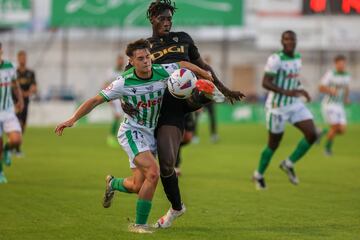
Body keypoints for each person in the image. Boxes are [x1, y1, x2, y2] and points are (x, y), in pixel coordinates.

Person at [55, 39, 214, 233]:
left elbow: (182, 64)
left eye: (148, 56)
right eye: (140, 58)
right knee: (153, 173)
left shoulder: (162, 71)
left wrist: (204, 73)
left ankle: (113, 183)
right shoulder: (123, 82)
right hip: (133, 132)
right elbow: (96, 99)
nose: (146, 61)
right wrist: (73, 119)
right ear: (131, 60)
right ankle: (139, 225)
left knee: (138, 186)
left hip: (152, 134)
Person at [143, 0, 244, 228]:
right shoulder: (145, 47)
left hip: (177, 108)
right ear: (152, 19)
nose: (167, 22)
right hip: (154, 108)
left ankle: (197, 102)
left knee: (204, 90)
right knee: (164, 167)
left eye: (170, 18)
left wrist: (224, 89)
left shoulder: (184, 39)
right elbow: (130, 78)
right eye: (163, 18)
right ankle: (177, 208)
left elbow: (205, 69)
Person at [252, 30, 318, 190]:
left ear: (295, 41)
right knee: (273, 144)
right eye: (286, 39)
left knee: (312, 134)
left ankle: (288, 164)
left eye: (292, 39)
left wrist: (301, 90)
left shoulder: (297, 58)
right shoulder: (276, 59)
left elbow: (294, 79)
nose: (289, 42)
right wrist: (284, 91)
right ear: (282, 42)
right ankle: (258, 174)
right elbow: (265, 83)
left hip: (294, 104)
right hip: (277, 108)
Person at [0, 42, 24, 183]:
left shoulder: (10, 66)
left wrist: (20, 100)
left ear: (1, 50)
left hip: (8, 111)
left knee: (16, 140)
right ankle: (1, 172)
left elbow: (15, 85)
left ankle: (7, 149)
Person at [319, 55, 351, 156]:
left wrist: (346, 99)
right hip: (329, 104)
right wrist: (331, 90)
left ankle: (320, 132)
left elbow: (346, 88)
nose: (342, 65)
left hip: (339, 105)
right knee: (335, 126)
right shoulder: (330, 74)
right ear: (335, 64)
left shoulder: (347, 75)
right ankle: (327, 150)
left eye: (343, 63)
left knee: (342, 130)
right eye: (340, 63)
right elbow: (320, 87)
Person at [13, 50, 37, 156]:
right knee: (18, 123)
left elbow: (34, 87)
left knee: (23, 125)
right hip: (15, 102)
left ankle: (15, 146)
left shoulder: (30, 73)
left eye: (25, 58)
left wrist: (28, 92)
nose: (23, 60)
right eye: (21, 58)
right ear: (18, 59)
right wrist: (20, 94)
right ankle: (15, 147)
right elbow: (12, 87)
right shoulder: (14, 72)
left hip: (26, 102)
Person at [105, 55, 125, 147]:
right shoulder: (111, 72)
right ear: (117, 61)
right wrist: (108, 99)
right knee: (117, 116)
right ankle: (111, 137)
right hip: (114, 98)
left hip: (123, 97)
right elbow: (106, 84)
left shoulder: (125, 71)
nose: (120, 62)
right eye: (119, 61)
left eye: (122, 60)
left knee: (121, 118)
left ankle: (117, 137)